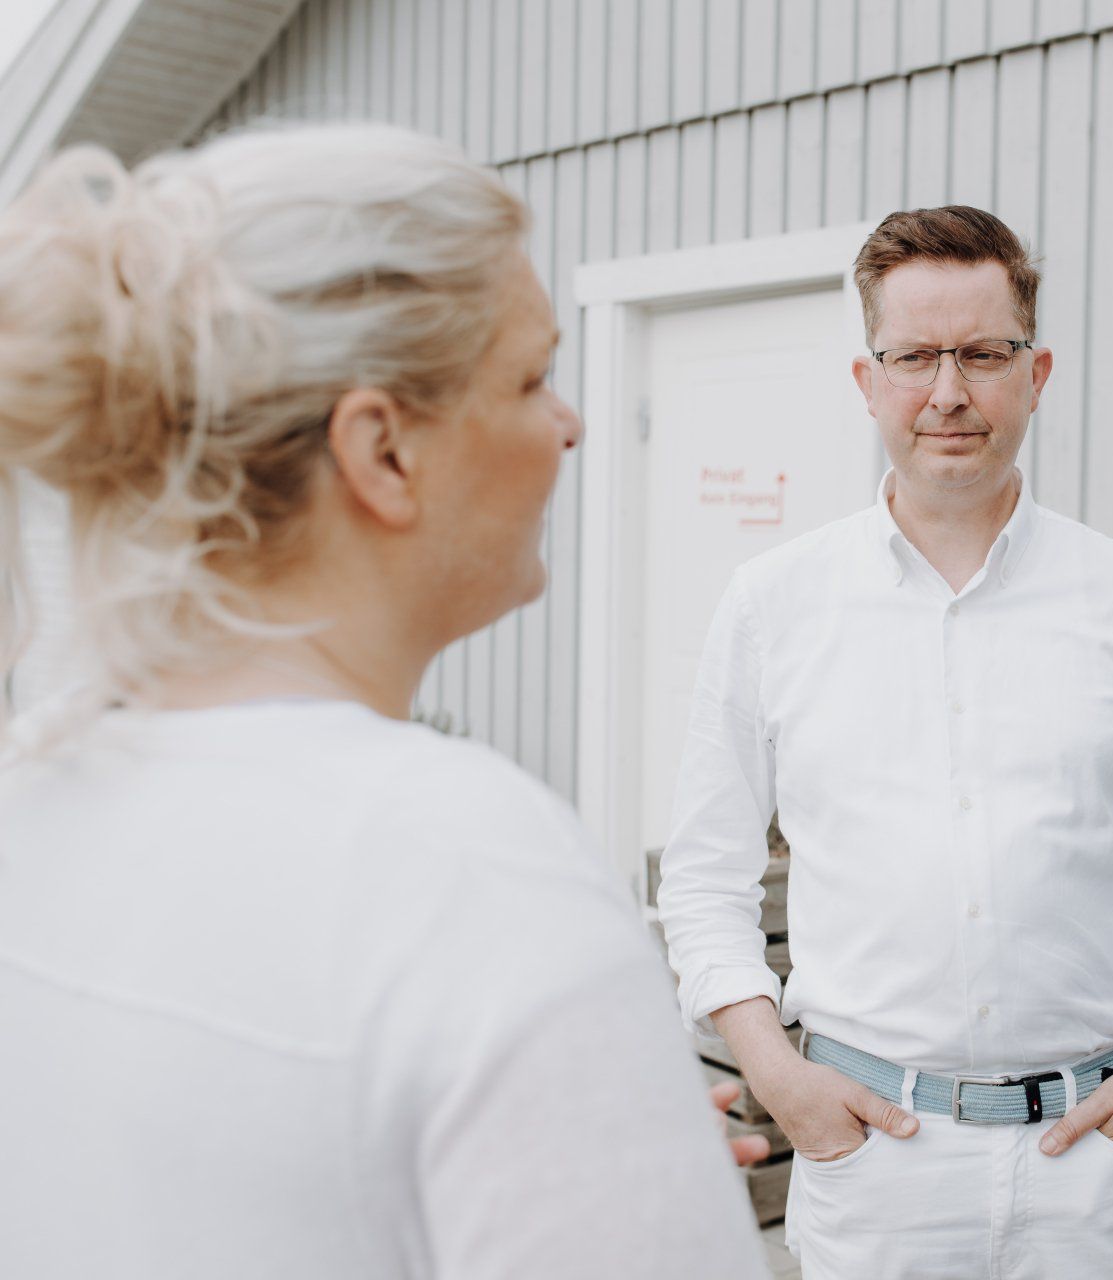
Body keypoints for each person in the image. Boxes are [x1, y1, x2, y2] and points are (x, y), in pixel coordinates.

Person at [0, 123, 771, 1279]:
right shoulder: (474, 873)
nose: (570, 422)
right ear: (383, 450)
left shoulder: (34, 792)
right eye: (530, 375)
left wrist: (593, 1162)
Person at [657, 205, 1113, 1279]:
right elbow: (702, 880)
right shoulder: (772, 605)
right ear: (868, 379)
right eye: (914, 355)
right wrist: (782, 1081)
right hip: (873, 1165)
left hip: (1093, 1167)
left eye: (983, 353)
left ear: (1037, 371)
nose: (948, 391)